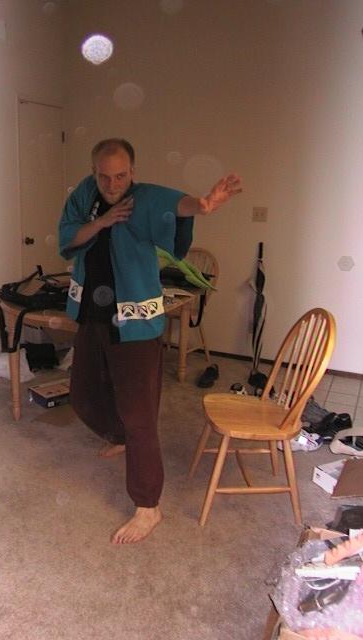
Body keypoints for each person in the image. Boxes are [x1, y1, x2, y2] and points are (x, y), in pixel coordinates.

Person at [58, 139, 242, 544]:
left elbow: (175, 204)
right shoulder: (84, 195)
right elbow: (68, 238)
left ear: (133, 172)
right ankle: (121, 436)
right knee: (84, 396)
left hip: (136, 321)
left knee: (139, 414)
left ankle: (148, 505)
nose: (112, 184)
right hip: (92, 313)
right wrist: (103, 222)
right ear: (93, 172)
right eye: (104, 176)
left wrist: (203, 205)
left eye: (120, 176)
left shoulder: (142, 197)